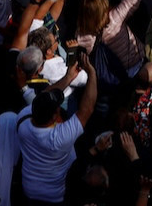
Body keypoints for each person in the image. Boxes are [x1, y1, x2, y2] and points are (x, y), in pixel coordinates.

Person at [17, 55, 98, 206]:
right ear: (55, 116)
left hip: (28, 190)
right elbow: (87, 109)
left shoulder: (23, 120)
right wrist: (92, 73)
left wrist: (69, 77)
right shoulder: (59, 138)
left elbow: (42, 97)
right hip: (53, 198)